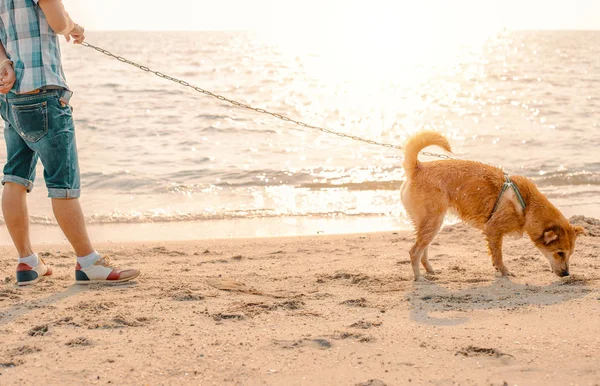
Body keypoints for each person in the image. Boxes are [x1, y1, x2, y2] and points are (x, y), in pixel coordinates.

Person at [0, 0, 139, 285]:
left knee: (15, 177)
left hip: (10, 96)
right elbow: (58, 22)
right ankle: (88, 261)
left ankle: (27, 262)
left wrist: (4, 63)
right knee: (62, 181)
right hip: (43, 91)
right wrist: (73, 26)